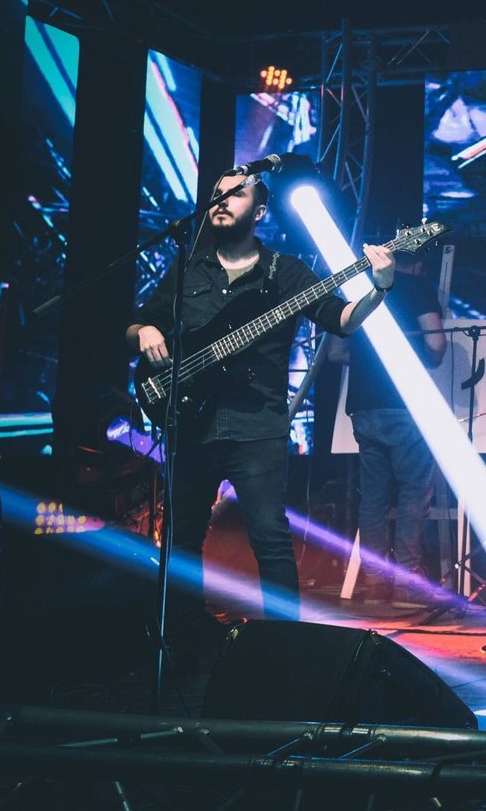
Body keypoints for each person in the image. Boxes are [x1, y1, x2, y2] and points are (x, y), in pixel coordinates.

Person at [128, 171, 394, 636]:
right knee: (182, 536)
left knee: (269, 539)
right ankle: (182, 635)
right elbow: (137, 324)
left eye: (235, 194)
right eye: (217, 194)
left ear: (260, 212)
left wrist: (380, 286)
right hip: (190, 423)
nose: (222, 201)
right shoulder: (191, 269)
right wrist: (145, 331)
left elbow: (342, 320)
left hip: (257, 428)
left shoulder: (286, 272)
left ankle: (282, 644)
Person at [332, 247, 446, 609]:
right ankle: (408, 583)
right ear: (418, 261)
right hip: (404, 402)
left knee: (374, 498)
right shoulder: (417, 286)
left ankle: (375, 581)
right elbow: (437, 344)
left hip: (363, 404)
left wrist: (369, 361)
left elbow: (335, 353)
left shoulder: (358, 290)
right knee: (414, 492)